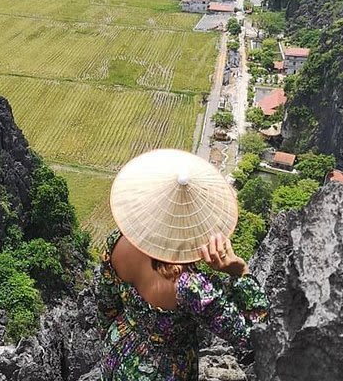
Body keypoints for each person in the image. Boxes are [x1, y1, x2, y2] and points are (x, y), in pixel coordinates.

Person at [98, 149, 268, 380]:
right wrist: (240, 273)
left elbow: (107, 307)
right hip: (163, 372)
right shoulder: (190, 286)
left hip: (117, 350)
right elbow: (254, 334)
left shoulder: (117, 241)